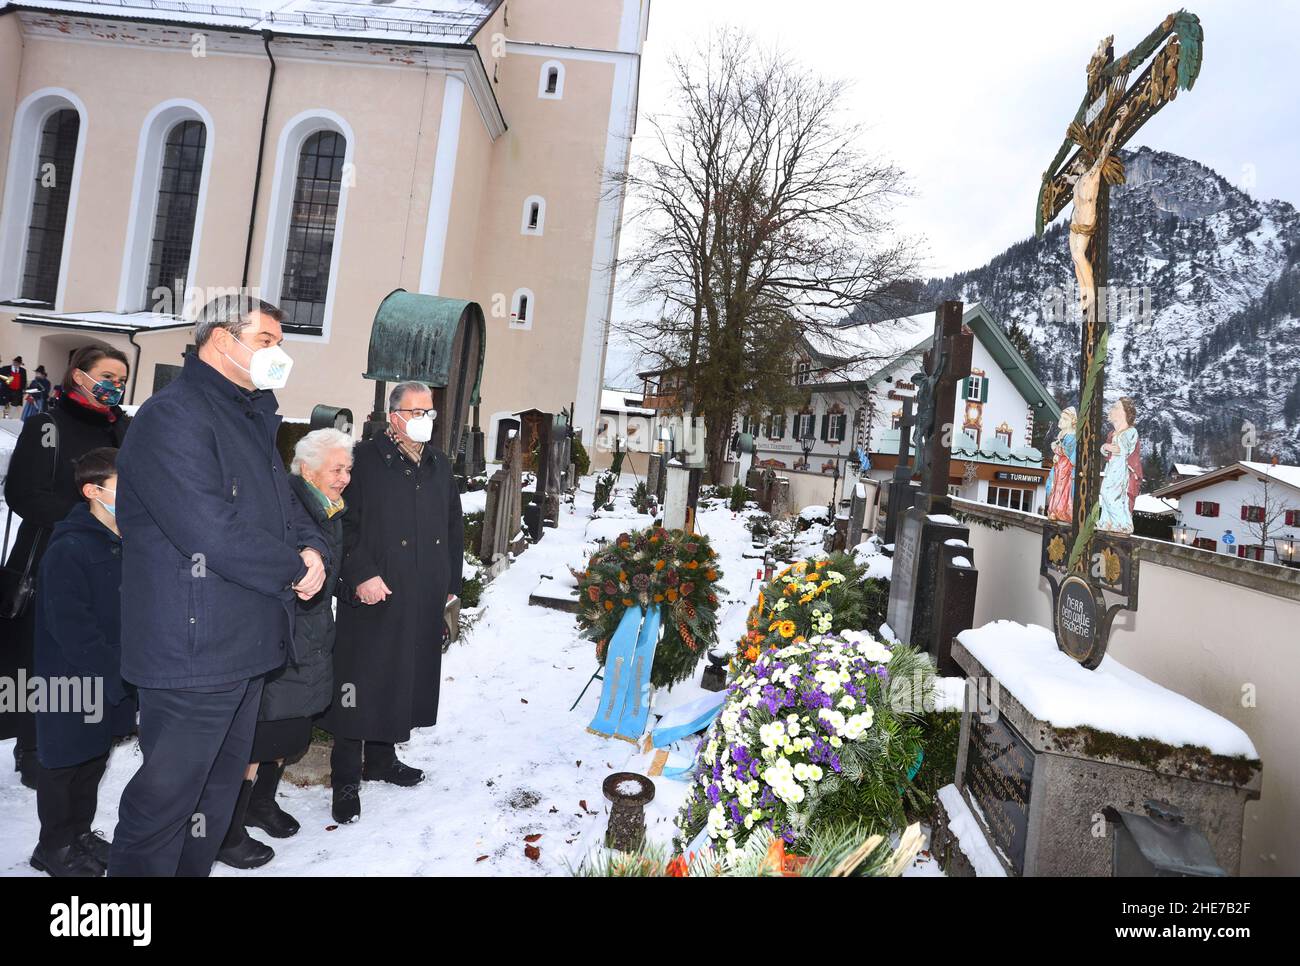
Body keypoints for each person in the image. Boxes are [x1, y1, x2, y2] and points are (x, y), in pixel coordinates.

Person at [109, 294, 328, 877]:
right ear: (220, 341)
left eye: (280, 342)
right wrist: (292, 566)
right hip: (192, 650)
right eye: (266, 341)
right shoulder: (174, 415)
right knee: (166, 803)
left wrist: (313, 550)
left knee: (214, 798)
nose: (278, 354)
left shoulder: (250, 415)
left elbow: (288, 505)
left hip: (243, 645)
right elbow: (208, 528)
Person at [323, 381, 463, 824]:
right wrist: (360, 573)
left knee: (401, 676)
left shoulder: (438, 464)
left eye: (430, 411)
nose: (426, 419)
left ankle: (382, 760)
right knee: (360, 682)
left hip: (421, 593)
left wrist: (449, 584)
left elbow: (452, 526)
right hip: (374, 590)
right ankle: (345, 776)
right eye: (416, 410)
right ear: (394, 415)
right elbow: (342, 522)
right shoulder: (362, 460)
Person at [218, 428, 353, 868]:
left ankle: (261, 804)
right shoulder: (291, 503)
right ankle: (228, 829)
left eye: (348, 469)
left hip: (312, 633)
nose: (344, 477)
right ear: (307, 469)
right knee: (261, 736)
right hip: (285, 633)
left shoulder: (327, 506)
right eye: (337, 469)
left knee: (290, 729)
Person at [2, 346, 129, 790]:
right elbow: (22, 494)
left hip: (110, 565)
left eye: (122, 379)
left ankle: (88, 739)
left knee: (93, 653)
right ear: (79, 377)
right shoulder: (47, 427)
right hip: (50, 561)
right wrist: (86, 521)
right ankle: (34, 747)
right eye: (108, 376)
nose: (116, 386)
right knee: (45, 660)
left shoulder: (123, 431)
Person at [30, 447, 137, 877]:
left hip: (108, 680)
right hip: (69, 681)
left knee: (94, 761)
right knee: (63, 766)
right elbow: (71, 627)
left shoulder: (123, 540)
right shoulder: (70, 547)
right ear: (93, 491)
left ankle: (79, 833)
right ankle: (52, 846)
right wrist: (113, 673)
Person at [1097, 397, 1141, 534]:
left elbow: (1124, 450)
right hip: (1111, 467)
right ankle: (1106, 521)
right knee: (1105, 494)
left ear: (1125, 413)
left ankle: (1121, 523)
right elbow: (1107, 452)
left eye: (1116, 407)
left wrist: (1108, 447)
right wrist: (1105, 447)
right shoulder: (1113, 433)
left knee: (1111, 494)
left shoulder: (1130, 432)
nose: (1111, 410)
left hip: (1122, 468)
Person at [1045, 406, 1077, 523]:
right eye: (1061, 418)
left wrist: (1056, 448)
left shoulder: (1072, 436)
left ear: (1072, 421)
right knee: (1054, 486)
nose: (1061, 421)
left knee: (1062, 489)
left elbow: (1067, 450)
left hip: (1065, 467)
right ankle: (1054, 509)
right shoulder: (1062, 434)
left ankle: (1061, 510)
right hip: (1059, 466)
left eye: (1065, 419)